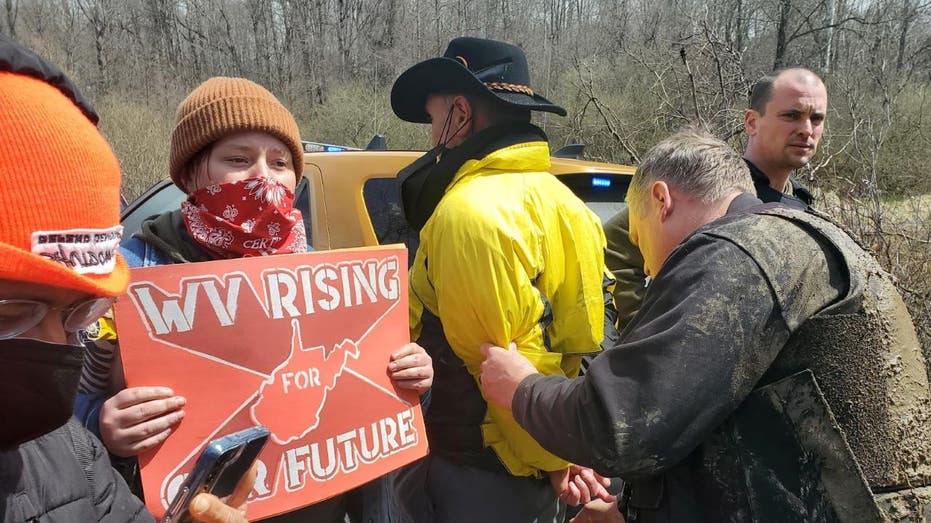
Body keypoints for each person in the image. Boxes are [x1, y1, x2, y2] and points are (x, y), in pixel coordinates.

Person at [478, 127, 931, 522]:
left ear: (661, 199)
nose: (649, 265)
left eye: (638, 239)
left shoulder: (739, 254)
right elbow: (720, 418)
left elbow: (621, 423)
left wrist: (520, 388)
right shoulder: (795, 238)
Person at [74, 76, 434, 522]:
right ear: (190, 174)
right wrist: (102, 428)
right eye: (238, 159)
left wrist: (411, 379)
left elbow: (369, 407)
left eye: (280, 162)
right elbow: (69, 413)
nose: (263, 176)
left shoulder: (323, 277)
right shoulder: (130, 275)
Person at [0, 35, 253, 522]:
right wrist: (102, 422)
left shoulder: (68, 452)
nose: (55, 343)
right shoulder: (145, 264)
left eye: (83, 310)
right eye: (10, 313)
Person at [389, 36, 617, 522]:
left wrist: (556, 459)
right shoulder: (569, 204)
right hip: (546, 446)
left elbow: (496, 363)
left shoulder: (467, 213)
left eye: (433, 118)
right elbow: (582, 338)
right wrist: (565, 448)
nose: (432, 135)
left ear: (460, 114)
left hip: (484, 465)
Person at [605, 68, 827, 330]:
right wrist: (644, 332)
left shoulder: (802, 206)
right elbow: (614, 248)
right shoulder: (708, 190)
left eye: (816, 118)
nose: (806, 129)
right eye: (791, 115)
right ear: (752, 122)